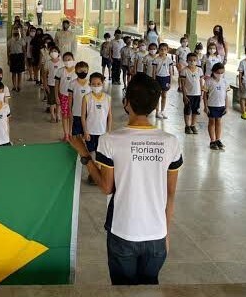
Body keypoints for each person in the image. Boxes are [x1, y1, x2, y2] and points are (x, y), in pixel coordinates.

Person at [72, 73, 182, 286]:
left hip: (123, 232)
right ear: (154, 104)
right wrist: (165, 234)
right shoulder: (171, 142)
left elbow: (106, 187)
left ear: (126, 103)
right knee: (150, 286)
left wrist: (85, 155)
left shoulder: (110, 140)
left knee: (123, 289)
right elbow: (170, 194)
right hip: (156, 235)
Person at [82, 72, 112, 155]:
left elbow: (109, 116)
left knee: (100, 153)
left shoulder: (108, 98)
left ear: (103, 83)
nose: (96, 86)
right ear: (90, 84)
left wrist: (108, 131)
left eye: (98, 84)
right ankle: (93, 166)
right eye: (93, 84)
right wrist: (85, 131)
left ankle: (98, 167)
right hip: (90, 131)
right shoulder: (86, 98)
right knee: (91, 152)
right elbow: (83, 116)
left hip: (102, 132)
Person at [203, 63, 229, 150]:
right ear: (213, 72)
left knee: (219, 122)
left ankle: (218, 139)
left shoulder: (224, 81)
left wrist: (227, 106)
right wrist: (206, 106)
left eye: (222, 72)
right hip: (211, 105)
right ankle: (212, 140)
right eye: (218, 72)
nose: (220, 74)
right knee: (212, 122)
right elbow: (204, 95)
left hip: (221, 105)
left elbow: (226, 95)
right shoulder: (209, 81)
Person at [179, 53, 204, 135]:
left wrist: (201, 93)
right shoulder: (184, 70)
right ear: (187, 61)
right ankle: (187, 126)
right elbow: (182, 84)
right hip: (188, 94)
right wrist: (184, 95)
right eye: (190, 60)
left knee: (195, 111)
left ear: (197, 61)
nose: (192, 62)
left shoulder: (199, 70)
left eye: (194, 60)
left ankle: (193, 125)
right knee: (187, 110)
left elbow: (201, 82)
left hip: (197, 94)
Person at [55, 52, 77, 141]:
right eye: (65, 60)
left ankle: (71, 133)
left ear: (73, 60)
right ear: (63, 61)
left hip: (74, 98)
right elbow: (56, 84)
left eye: (69, 59)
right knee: (65, 116)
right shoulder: (60, 71)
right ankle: (66, 135)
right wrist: (57, 96)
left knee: (71, 116)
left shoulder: (77, 71)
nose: (67, 61)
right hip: (64, 96)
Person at [68, 62, 91, 139]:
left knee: (87, 132)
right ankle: (79, 148)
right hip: (76, 113)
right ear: (76, 71)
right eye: (80, 71)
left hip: (88, 113)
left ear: (88, 71)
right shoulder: (72, 83)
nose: (83, 73)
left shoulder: (90, 84)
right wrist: (70, 111)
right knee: (77, 133)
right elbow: (70, 99)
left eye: (85, 71)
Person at [151, 43, 174, 119]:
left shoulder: (169, 60)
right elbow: (154, 72)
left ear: (167, 50)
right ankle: (157, 112)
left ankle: (162, 111)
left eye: (165, 50)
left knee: (164, 95)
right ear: (159, 50)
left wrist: (170, 82)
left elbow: (170, 72)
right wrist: (153, 81)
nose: (163, 51)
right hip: (158, 78)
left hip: (166, 78)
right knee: (157, 96)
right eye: (161, 50)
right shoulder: (156, 59)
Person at [44, 46, 63, 123]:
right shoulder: (48, 63)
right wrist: (45, 85)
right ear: (49, 53)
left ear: (58, 53)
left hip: (60, 85)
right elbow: (44, 75)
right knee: (52, 101)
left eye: (55, 51)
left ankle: (58, 114)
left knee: (58, 101)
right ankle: (52, 115)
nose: (53, 52)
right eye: (52, 51)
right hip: (51, 84)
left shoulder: (61, 63)